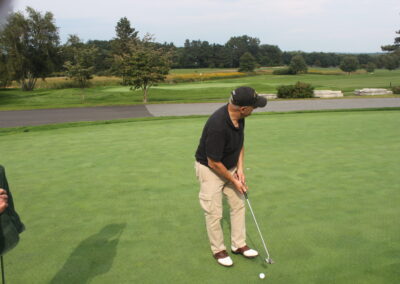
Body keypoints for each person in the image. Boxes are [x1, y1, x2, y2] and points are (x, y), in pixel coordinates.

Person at [194, 86, 267, 267]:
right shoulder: (217, 125)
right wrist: (233, 179)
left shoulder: (240, 118)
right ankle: (218, 250)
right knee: (213, 212)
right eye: (254, 106)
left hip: (230, 167)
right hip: (210, 170)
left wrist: (240, 169)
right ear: (243, 108)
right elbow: (213, 162)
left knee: (238, 204)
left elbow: (239, 144)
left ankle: (238, 244)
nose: (255, 109)